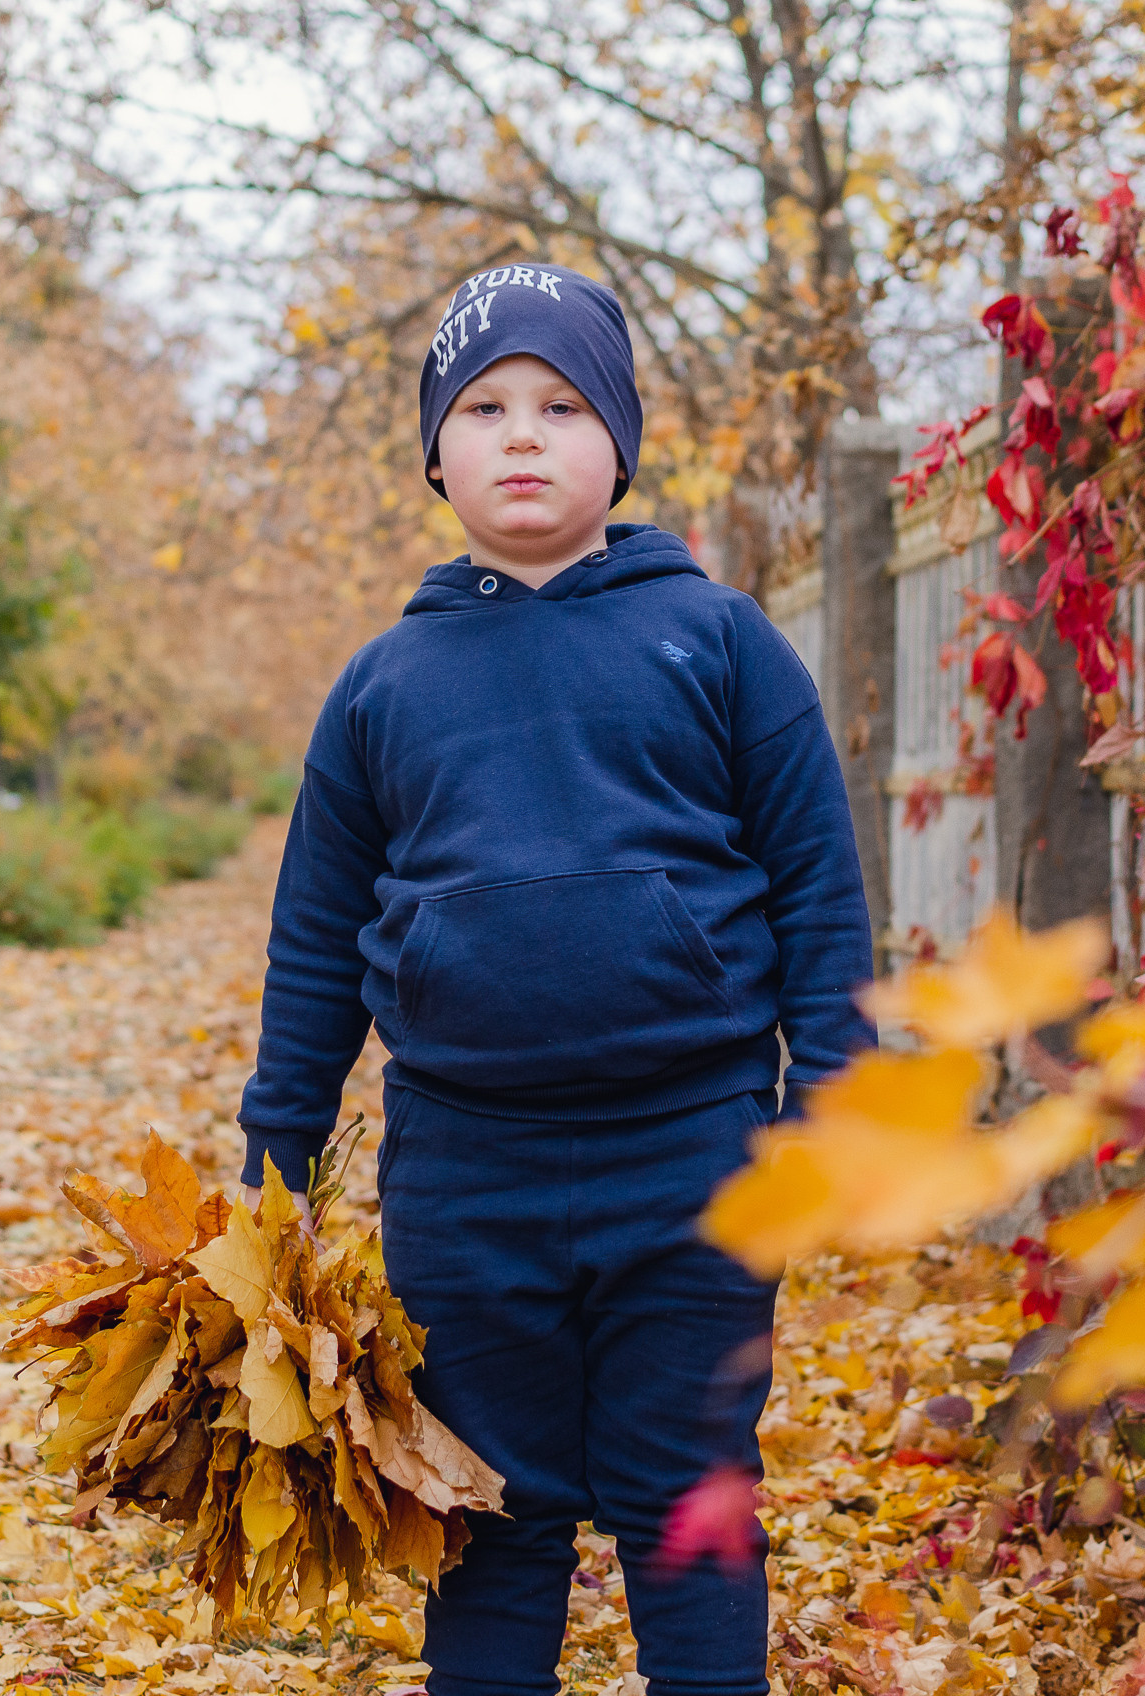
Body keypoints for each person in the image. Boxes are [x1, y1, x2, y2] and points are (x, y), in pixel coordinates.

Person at [237, 261, 875, 1696]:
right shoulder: (383, 685)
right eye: (485, 406)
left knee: (689, 1510)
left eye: (564, 403)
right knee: (490, 1518)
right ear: (437, 454)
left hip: (696, 1158)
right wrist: (277, 1148)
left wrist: (836, 1108)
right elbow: (317, 936)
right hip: (466, 1179)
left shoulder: (718, 641)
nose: (523, 434)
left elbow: (821, 892)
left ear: (621, 443)